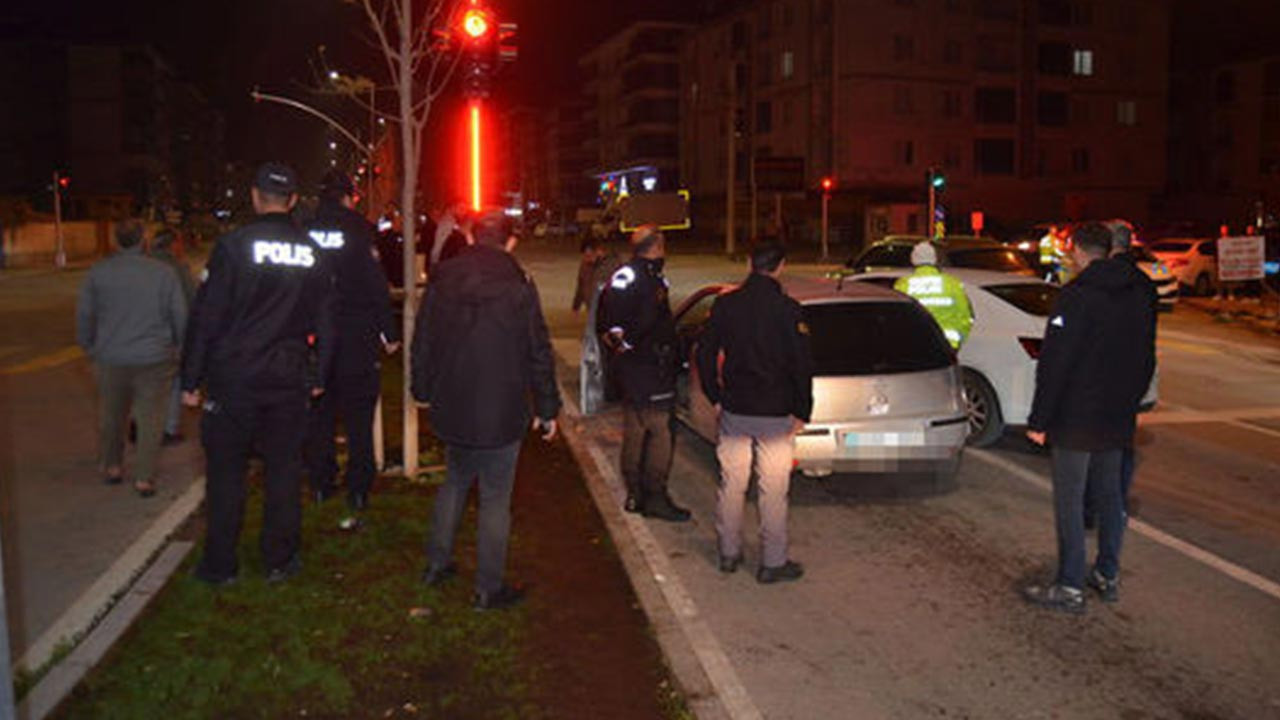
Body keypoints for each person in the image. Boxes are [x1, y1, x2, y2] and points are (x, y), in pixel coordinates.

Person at [180, 162, 336, 585]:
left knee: (225, 475)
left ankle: (220, 566)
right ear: (292, 201)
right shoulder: (312, 252)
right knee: (283, 472)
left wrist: (191, 379)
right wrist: (319, 375)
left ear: (254, 196)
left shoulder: (233, 247)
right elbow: (327, 322)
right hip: (287, 381)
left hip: (234, 380)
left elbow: (207, 318)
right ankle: (279, 561)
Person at [411, 210, 560, 610]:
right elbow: (538, 351)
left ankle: (436, 564)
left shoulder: (442, 279)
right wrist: (547, 408)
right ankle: (488, 588)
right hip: (502, 407)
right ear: (510, 241)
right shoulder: (519, 285)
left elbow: (423, 339)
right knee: (495, 498)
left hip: (454, 401)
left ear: (471, 236)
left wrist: (421, 389)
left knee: (454, 482)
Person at [1023, 222, 1156, 613]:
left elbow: (1056, 362)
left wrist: (1039, 419)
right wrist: (1129, 402)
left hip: (1077, 417)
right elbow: (1147, 356)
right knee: (1110, 496)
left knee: (1070, 500)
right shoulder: (1138, 292)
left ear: (1079, 252)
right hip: (1116, 415)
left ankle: (1069, 585)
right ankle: (1107, 573)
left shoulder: (1076, 295)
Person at [695, 242, 813, 584]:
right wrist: (802, 410)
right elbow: (802, 364)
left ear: (749, 263)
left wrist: (715, 396)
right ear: (781, 266)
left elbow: (705, 352)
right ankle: (772, 563)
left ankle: (728, 553)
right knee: (772, 490)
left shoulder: (726, 305)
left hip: (736, 408)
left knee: (732, 484)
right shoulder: (788, 309)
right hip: (776, 412)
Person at [303, 171, 400, 518]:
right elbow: (375, 284)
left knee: (320, 415)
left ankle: (320, 482)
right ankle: (358, 488)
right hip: (356, 334)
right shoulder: (359, 229)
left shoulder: (305, 228)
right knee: (359, 418)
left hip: (315, 336)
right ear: (348, 197)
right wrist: (389, 332)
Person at [76, 220, 188, 497]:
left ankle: (112, 466)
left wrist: (89, 346)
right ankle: (144, 477)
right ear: (143, 241)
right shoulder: (163, 273)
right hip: (154, 357)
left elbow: (86, 314)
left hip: (111, 356)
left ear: (116, 241)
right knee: (151, 418)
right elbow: (179, 314)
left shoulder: (98, 272)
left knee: (111, 415)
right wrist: (180, 347)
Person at [595, 226, 690, 521]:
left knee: (636, 429)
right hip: (649, 367)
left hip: (633, 368)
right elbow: (637, 323)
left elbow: (605, 322)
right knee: (661, 431)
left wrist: (622, 352)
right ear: (656, 246)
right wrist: (632, 348)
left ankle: (635, 495)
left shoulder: (626, 275)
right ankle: (655, 496)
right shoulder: (644, 278)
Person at [149, 227, 196, 445]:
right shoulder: (177, 269)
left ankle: (141, 424)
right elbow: (190, 301)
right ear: (173, 244)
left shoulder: (142, 264)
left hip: (141, 336)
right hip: (168, 336)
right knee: (174, 381)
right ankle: (168, 428)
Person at [894, 241, 973, 349]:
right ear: (935, 260)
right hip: (946, 347)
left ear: (913, 260)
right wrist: (959, 341)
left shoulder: (902, 285)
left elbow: (897, 319)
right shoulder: (952, 284)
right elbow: (965, 317)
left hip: (913, 347)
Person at [572, 236, 606, 313]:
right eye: (585, 256)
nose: (586, 259)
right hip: (591, 308)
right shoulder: (585, 265)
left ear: (599, 252)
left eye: (589, 256)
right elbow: (581, 287)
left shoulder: (610, 266)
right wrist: (576, 306)